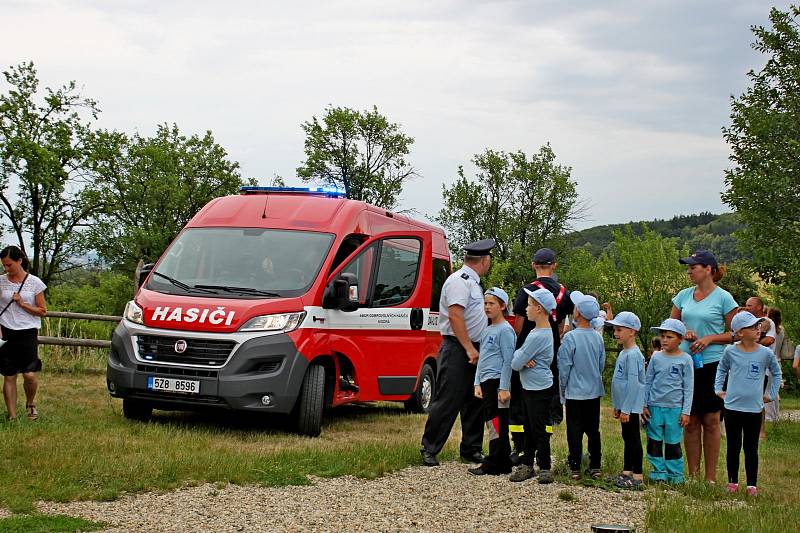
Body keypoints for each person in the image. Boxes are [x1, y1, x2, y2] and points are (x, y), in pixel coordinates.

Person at [420, 238, 495, 466]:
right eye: (489, 258)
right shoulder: (459, 281)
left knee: (476, 401)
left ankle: (471, 449)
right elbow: (455, 315)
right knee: (448, 399)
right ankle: (430, 447)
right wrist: (469, 348)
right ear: (484, 260)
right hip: (458, 347)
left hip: (474, 347)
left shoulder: (474, 282)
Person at [671, 250, 738, 482]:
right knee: (690, 421)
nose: (689, 271)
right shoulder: (683, 296)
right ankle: (692, 475)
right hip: (686, 363)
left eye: (693, 267)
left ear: (708, 269)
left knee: (710, 420)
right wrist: (683, 332)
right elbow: (670, 328)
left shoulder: (724, 298)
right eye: (688, 267)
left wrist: (710, 338)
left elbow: (736, 334)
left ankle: (709, 478)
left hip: (713, 364)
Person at [510, 248, 573, 463]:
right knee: (547, 400)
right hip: (551, 348)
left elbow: (518, 325)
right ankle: (543, 445)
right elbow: (564, 325)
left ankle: (519, 447)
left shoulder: (527, 291)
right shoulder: (564, 293)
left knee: (522, 401)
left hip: (528, 348)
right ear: (554, 265)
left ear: (533, 265)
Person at [715, 311, 782, 497]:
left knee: (751, 447)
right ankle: (732, 482)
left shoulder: (765, 353)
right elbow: (721, 369)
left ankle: (752, 484)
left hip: (754, 409)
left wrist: (772, 393)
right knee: (733, 446)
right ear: (740, 332)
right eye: (753, 327)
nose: (758, 329)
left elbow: (776, 373)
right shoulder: (730, 351)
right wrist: (718, 390)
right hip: (732, 408)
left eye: (758, 326)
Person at [509, 287, 557, 484]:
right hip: (532, 386)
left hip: (537, 389)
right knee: (529, 427)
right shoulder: (540, 331)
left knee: (537, 428)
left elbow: (514, 363)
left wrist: (521, 358)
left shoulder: (537, 336)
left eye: (529, 305)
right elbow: (519, 359)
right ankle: (528, 464)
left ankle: (544, 467)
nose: (525, 309)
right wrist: (522, 358)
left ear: (539, 308)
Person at [558, 291, 605, 480]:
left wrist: (563, 390)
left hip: (575, 393)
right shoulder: (598, 337)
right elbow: (601, 364)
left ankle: (575, 466)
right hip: (593, 391)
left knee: (574, 430)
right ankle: (595, 466)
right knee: (593, 430)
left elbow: (564, 367)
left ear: (577, 313)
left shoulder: (570, 338)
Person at [469, 287, 516, 476]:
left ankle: (494, 462)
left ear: (502, 306)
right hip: (486, 382)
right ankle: (503, 461)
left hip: (498, 383)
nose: (487, 307)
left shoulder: (505, 330)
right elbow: (483, 358)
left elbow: (508, 361)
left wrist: (504, 387)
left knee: (496, 423)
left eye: (492, 303)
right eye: (485, 303)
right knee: (491, 421)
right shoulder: (487, 330)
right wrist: (477, 382)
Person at [1, 246, 48, 421]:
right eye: (4, 265)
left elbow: (42, 311)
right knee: (9, 375)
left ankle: (30, 403)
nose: (6, 269)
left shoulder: (34, 283)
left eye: (9, 265)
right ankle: (12, 416)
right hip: (6, 331)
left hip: (27, 332)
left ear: (19, 261)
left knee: (29, 374)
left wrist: (22, 304)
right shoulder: (1, 281)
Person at [644, 318, 694, 484]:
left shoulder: (685, 359)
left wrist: (686, 411)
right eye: (663, 336)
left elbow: (688, 387)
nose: (664, 340)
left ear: (680, 339)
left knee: (673, 442)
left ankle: (675, 475)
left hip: (675, 409)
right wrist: (644, 404)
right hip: (654, 407)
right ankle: (658, 472)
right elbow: (648, 381)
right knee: (654, 441)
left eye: (669, 337)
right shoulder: (656, 357)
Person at [607, 311, 646, 490]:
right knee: (626, 437)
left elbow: (634, 384)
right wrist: (617, 406)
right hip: (623, 406)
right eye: (615, 329)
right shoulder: (624, 352)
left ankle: (637, 476)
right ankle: (626, 472)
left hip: (630, 407)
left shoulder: (634, 355)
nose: (616, 333)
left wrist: (627, 409)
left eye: (619, 329)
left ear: (632, 331)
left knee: (633, 439)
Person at [744, 297, 777, 440]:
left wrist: (752, 343)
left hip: (762, 367)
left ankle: (761, 431)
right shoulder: (747, 323)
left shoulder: (767, 322)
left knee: (758, 399)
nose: (746, 308)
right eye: (745, 305)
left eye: (749, 305)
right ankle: (745, 429)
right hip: (745, 365)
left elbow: (770, 340)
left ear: (759, 307)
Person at [764, 307, 784, 424]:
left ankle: (770, 417)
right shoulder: (781, 330)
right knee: (774, 391)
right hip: (778, 360)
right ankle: (776, 415)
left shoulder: (769, 330)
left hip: (770, 360)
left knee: (767, 389)